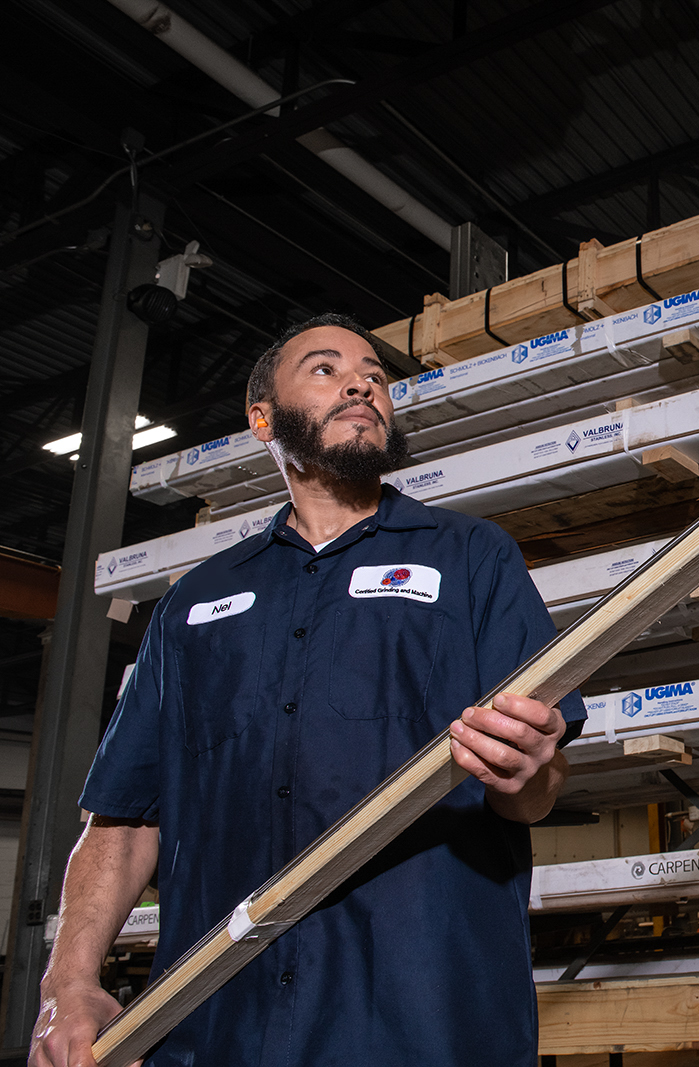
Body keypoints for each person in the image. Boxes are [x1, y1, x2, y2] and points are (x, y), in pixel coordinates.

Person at [30, 313, 585, 1066]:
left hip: (428, 1025)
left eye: (375, 376)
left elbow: (536, 787)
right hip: (222, 1028)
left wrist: (533, 767)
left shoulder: (472, 559)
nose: (362, 382)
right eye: (325, 369)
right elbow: (123, 820)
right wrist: (67, 981)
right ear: (262, 418)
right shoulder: (193, 604)